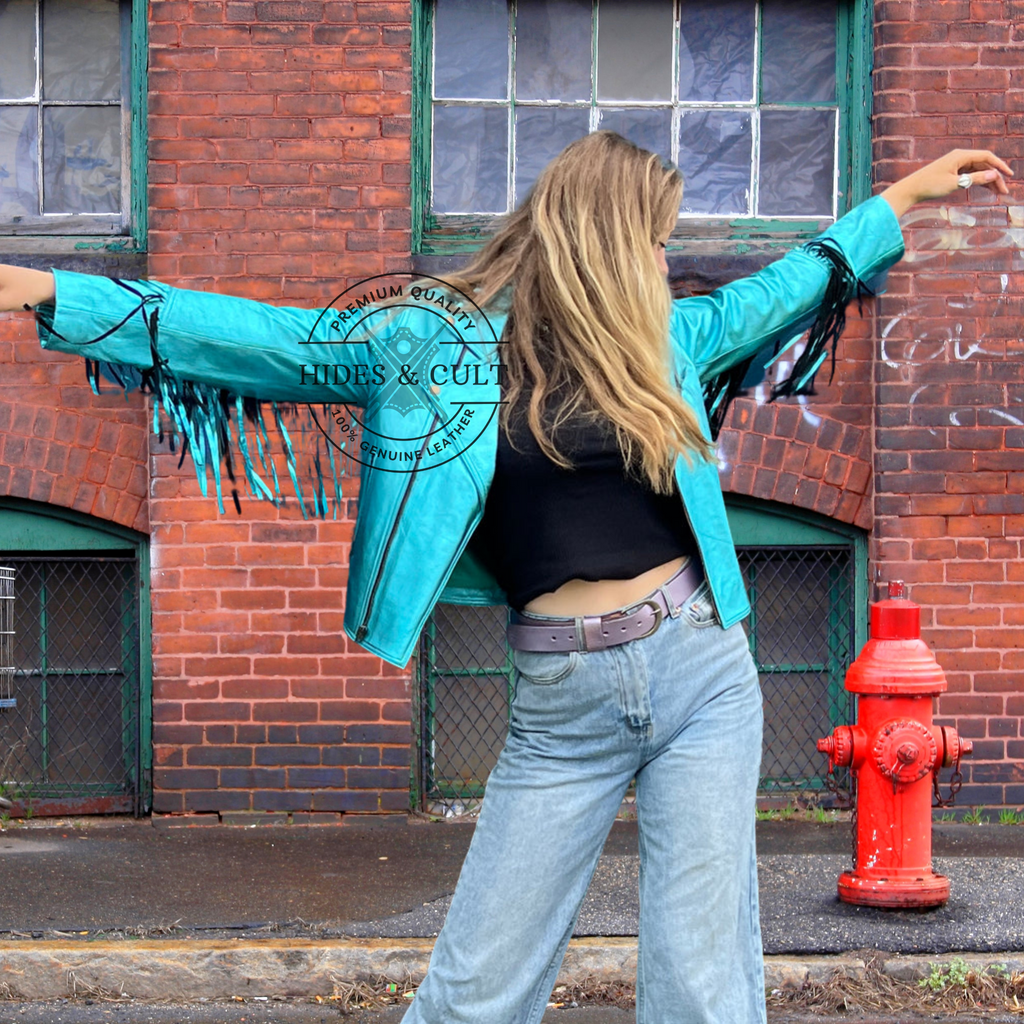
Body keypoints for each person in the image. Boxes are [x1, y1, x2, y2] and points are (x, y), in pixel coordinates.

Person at [0, 134, 1012, 1023]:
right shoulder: (429, 349)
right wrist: (54, 293)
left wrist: (902, 197)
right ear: (604, 240)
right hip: (561, 705)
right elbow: (258, 337)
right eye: (654, 239)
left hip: (703, 671)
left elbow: (793, 283)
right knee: (475, 986)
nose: (664, 261)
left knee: (701, 983)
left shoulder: (666, 339)